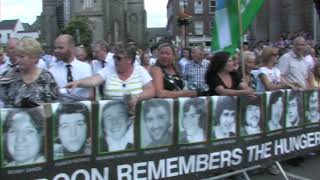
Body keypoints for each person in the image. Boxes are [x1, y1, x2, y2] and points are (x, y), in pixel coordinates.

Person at [66, 45, 155, 113]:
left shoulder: (139, 70)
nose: (115, 60)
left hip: (135, 116)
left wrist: (137, 97)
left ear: (129, 60)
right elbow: (93, 80)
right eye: (114, 57)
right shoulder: (109, 69)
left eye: (118, 58)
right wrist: (78, 82)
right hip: (111, 115)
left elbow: (151, 90)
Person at [0, 37, 59, 108]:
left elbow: (54, 106)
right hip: (12, 118)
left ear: (34, 58)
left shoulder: (46, 77)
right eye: (17, 56)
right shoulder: (9, 75)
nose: (18, 60)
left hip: (39, 118)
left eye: (22, 57)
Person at [49, 34, 93, 101]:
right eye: (55, 48)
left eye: (61, 48)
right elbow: (52, 94)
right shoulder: (52, 70)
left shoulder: (86, 67)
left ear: (72, 48)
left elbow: (89, 94)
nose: (56, 51)